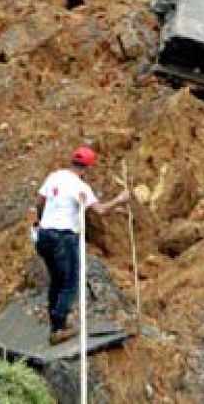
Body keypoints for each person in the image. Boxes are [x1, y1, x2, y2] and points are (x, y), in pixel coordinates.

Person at [33, 145, 130, 345]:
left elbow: (40, 201)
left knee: (57, 281)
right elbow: (100, 210)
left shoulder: (54, 177)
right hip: (63, 237)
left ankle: (56, 324)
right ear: (88, 167)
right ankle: (58, 328)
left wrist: (42, 220)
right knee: (70, 283)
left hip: (44, 235)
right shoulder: (80, 187)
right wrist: (120, 200)